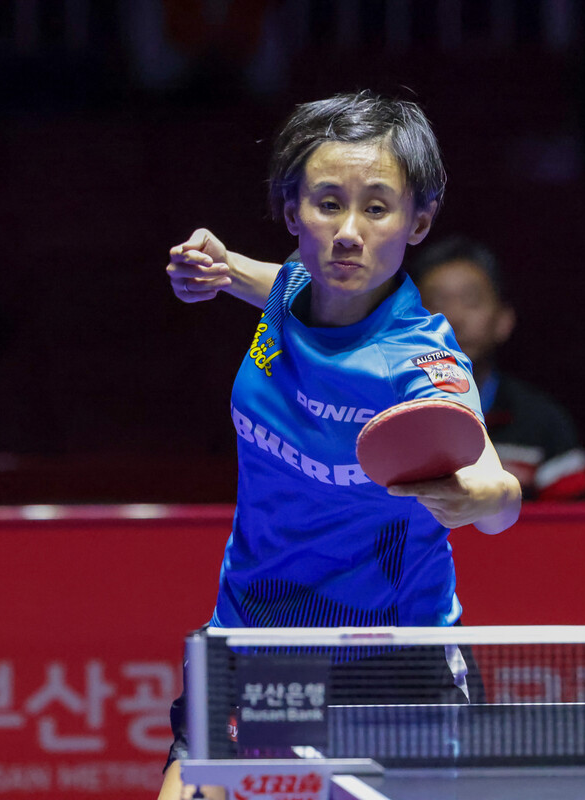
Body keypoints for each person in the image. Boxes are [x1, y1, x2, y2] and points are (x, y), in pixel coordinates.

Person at [160, 91, 521, 799]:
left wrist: (483, 495)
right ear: (293, 212)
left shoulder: (419, 360)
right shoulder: (293, 290)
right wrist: (220, 267)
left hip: (390, 660)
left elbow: (496, 487)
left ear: (419, 222)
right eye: (328, 204)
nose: (348, 232)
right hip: (254, 634)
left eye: (377, 208)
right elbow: (279, 281)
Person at [408, 236, 585, 500]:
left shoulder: (542, 422)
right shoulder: (380, 411)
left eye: (471, 301)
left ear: (503, 321)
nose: (454, 318)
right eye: (436, 303)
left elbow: (573, 519)